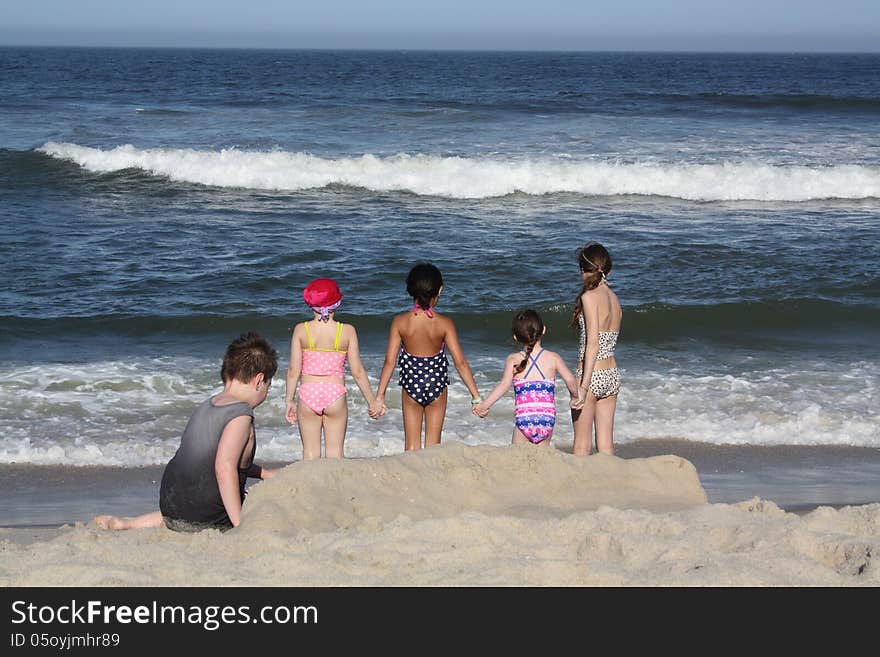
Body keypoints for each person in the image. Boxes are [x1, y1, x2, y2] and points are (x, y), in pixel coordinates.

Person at [92, 331, 280, 532]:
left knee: (185, 514)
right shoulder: (241, 414)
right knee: (264, 502)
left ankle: (127, 523)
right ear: (259, 380)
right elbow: (224, 466)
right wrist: (239, 524)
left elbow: (214, 457)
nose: (266, 392)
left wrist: (263, 473)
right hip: (206, 514)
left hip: (171, 504)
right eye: (268, 385)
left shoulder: (208, 405)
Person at [374, 263, 482, 451]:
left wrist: (379, 396)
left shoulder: (400, 322)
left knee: (411, 447)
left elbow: (389, 362)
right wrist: (476, 397)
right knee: (433, 447)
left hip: (411, 387)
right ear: (440, 290)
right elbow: (460, 362)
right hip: (437, 386)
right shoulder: (444, 324)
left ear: (410, 290)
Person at [285, 278, 383, 459]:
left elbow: (293, 370)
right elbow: (358, 372)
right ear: (337, 303)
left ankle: (310, 487)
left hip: (308, 393)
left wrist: (289, 400)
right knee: (335, 454)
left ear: (310, 304)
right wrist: (372, 401)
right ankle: (333, 487)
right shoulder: (347, 331)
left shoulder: (301, 330)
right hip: (335, 394)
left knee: (310, 454)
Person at [473, 309, 578, 446]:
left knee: (518, 457)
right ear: (544, 330)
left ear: (516, 337)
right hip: (546, 420)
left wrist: (484, 406)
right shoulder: (553, 358)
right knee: (542, 456)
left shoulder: (513, 359)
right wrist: (576, 397)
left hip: (524, 419)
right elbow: (570, 379)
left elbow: (504, 386)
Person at [570, 242, 623, 456]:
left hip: (591, 376)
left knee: (582, 446)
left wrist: (582, 387)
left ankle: (580, 489)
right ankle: (609, 486)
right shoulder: (615, 299)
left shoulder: (589, 297)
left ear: (584, 270)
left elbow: (593, 344)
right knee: (606, 446)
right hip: (611, 373)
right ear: (606, 270)